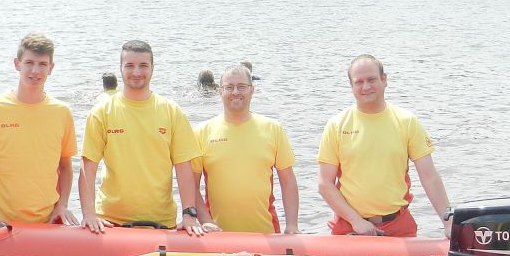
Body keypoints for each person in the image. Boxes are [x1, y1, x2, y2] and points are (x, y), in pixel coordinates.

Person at [317, 54, 452, 238]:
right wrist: (356, 221)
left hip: (397, 225)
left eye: (372, 79)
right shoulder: (336, 125)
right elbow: (325, 184)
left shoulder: (407, 122)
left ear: (384, 79)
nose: (366, 87)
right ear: (351, 86)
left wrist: (448, 222)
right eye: (359, 82)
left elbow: (429, 177)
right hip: (350, 226)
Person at [79, 40, 204, 236]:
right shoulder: (102, 112)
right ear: (120, 68)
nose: (136, 72)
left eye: (143, 66)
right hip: (111, 222)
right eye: (129, 65)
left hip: (162, 221)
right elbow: (88, 166)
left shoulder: (171, 111)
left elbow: (183, 167)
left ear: (153, 68)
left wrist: (189, 214)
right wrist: (88, 213)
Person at [0, 33, 78, 225]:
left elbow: (66, 166)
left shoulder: (61, 112)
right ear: (17, 64)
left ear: (51, 68)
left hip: (50, 221)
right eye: (29, 63)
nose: (35, 70)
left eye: (42, 64)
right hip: (2, 221)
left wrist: (63, 205)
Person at [192, 64, 299, 234]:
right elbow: (192, 185)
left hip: (266, 231)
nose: (235, 92)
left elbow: (288, 182)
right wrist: (206, 221)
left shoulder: (273, 129)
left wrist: (292, 225)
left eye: (242, 87)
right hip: (217, 233)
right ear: (220, 91)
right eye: (229, 87)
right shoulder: (202, 132)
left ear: (252, 90)